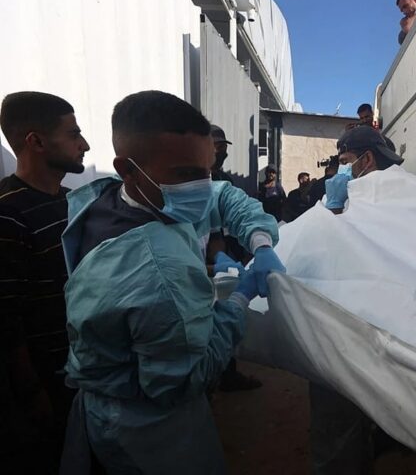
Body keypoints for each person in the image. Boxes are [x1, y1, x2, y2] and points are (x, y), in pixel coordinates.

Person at [59, 90, 285, 473]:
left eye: (207, 170)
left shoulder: (114, 199)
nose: (203, 186)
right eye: (187, 174)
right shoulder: (157, 273)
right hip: (146, 427)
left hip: (112, 396)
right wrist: (236, 302)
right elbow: (186, 379)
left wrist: (260, 242)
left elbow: (223, 198)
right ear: (128, 169)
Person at [0, 91, 90, 472]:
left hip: (84, 374)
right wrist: (33, 392)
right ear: (36, 141)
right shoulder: (8, 214)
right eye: (74, 134)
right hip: (45, 388)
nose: (84, 145)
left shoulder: (74, 202)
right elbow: (6, 320)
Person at [308, 126, 404, 474]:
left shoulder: (376, 202)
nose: (341, 169)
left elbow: (332, 252)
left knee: (338, 422)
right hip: (375, 327)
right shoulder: (393, 196)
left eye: (346, 160)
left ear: (366, 160)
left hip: (345, 330)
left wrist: (334, 210)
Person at [207, 123, 262, 392]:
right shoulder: (189, 185)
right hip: (203, 261)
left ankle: (228, 373)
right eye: (216, 146)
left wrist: (256, 245)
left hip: (223, 251)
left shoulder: (223, 180)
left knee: (223, 308)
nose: (221, 152)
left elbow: (232, 218)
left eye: (223, 147)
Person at [325, 125, 404, 214]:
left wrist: (334, 206)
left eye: (344, 162)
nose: (340, 170)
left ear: (367, 159)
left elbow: (335, 224)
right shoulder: (405, 190)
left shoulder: (370, 203)